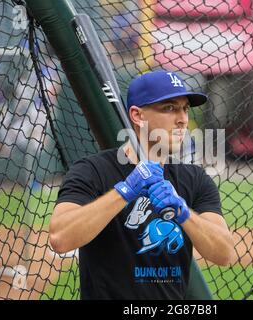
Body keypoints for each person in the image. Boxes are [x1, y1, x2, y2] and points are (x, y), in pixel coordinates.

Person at [49, 70, 235, 300]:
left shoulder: (194, 180)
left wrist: (183, 212)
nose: (183, 119)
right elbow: (60, 238)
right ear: (137, 116)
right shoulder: (92, 171)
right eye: (169, 108)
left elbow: (224, 254)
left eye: (185, 108)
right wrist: (125, 191)